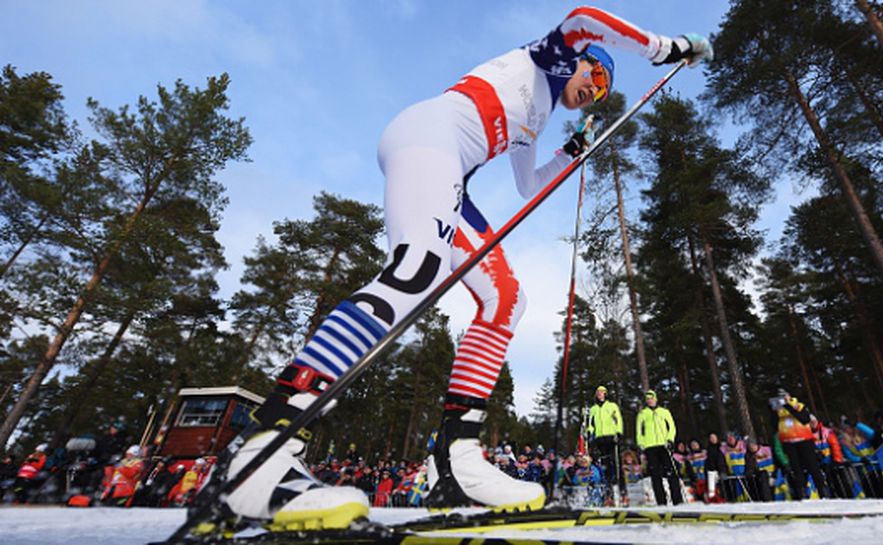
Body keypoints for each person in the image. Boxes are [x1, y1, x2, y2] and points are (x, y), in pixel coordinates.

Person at [219, 6, 713, 529]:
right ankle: (263, 450)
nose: (599, 90)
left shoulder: (538, 118)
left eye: (606, 91)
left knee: (506, 298)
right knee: (417, 270)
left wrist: (572, 151)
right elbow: (584, 16)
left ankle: (458, 462)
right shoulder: (547, 60)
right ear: (580, 62)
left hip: (454, 169)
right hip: (430, 138)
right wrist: (668, 48)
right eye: (598, 75)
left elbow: (528, 186)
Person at [771, 389, 827, 499]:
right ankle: (801, 493)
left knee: (813, 467)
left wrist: (789, 406)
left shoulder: (799, 405)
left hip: (804, 440)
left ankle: (822, 491)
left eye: (784, 396)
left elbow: (805, 419)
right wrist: (774, 409)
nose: (782, 399)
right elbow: (773, 425)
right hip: (789, 443)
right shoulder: (778, 410)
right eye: (780, 397)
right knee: (796, 469)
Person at [635, 390, 682, 505]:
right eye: (648, 399)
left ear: (655, 399)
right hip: (650, 446)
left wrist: (670, 439)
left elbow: (671, 427)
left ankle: (677, 500)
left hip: (663, 445)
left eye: (651, 398)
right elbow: (638, 430)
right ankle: (661, 502)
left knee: (671, 472)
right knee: (655, 475)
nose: (650, 400)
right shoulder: (642, 413)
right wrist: (641, 443)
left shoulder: (664, 412)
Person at [587, 385, 625, 501]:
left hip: (611, 437)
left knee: (616, 463)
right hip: (600, 438)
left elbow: (618, 419)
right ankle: (609, 493)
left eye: (602, 392)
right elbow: (590, 423)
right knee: (605, 465)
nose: (600, 394)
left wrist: (618, 432)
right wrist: (589, 432)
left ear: (606, 394)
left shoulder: (612, 406)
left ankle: (623, 491)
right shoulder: (593, 409)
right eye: (598, 392)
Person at [705, 433, 728, 503]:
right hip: (712, 470)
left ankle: (725, 498)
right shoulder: (708, 449)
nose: (713, 439)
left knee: (723, 486)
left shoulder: (722, 447)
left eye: (714, 438)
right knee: (712, 487)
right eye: (711, 438)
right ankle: (713, 500)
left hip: (721, 469)